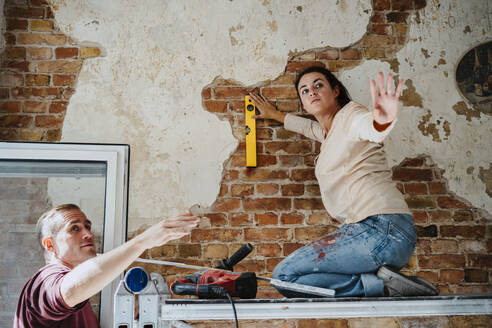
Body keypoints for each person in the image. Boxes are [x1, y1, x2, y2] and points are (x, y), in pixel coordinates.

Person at [249, 66, 438, 298]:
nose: (312, 92)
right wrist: (275, 115)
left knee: (285, 276)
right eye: (304, 91)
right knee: (291, 280)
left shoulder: (350, 116)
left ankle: (382, 287)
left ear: (336, 91)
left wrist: (382, 120)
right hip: (380, 232)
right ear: (304, 104)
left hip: (382, 227)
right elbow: (309, 127)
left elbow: (369, 127)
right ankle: (382, 284)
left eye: (319, 85)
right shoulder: (329, 133)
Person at [14, 204, 199, 327]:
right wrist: (143, 241)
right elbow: (71, 290)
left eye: (88, 226)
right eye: (75, 228)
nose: (88, 234)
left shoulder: (77, 301)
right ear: (50, 245)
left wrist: (136, 316)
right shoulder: (44, 280)